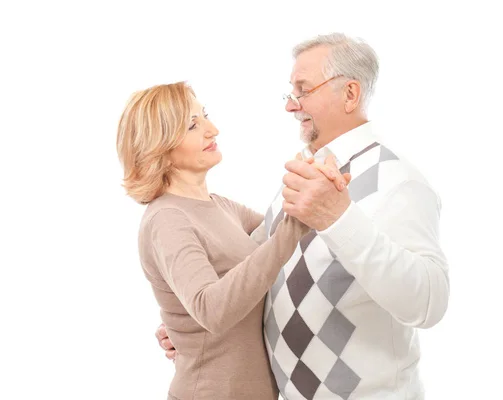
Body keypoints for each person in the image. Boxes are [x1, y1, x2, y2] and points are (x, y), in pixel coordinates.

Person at [157, 32, 450, 399]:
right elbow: (250, 271)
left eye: (303, 89)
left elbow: (429, 304)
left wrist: (339, 219)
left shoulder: (399, 181)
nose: (290, 105)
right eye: (290, 91)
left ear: (350, 95)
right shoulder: (301, 177)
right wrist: (188, 325)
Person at [116, 81, 348, 400]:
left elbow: (280, 237)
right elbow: (212, 309)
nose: (212, 130)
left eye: (205, 116)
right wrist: (293, 227)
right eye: (192, 125)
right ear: (160, 146)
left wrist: (316, 182)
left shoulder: (222, 207)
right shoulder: (167, 219)